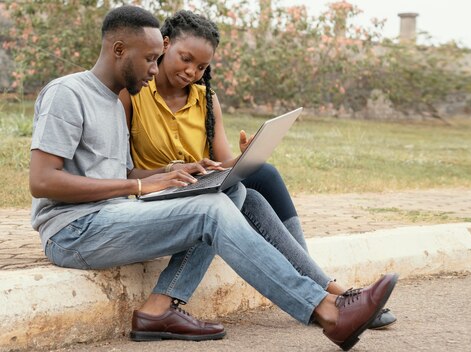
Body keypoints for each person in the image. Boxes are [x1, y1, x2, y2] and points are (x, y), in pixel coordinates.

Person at [29, 5, 397, 351]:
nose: (156, 70)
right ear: (119, 49)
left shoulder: (112, 100)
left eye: (158, 59)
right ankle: (328, 311)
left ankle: (159, 309)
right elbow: (42, 182)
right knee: (212, 210)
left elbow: (120, 172)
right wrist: (140, 186)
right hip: (72, 232)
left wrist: (167, 173)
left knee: (230, 193)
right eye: (151, 59)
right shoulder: (68, 93)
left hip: (108, 218)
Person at [120, 10, 397, 329]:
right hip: (158, 195)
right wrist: (172, 169)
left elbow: (223, 164)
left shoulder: (206, 99)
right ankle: (333, 294)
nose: (191, 71)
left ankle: (328, 295)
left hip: (198, 189)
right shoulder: (135, 92)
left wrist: (245, 156)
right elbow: (124, 171)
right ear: (164, 45)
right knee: (245, 194)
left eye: (201, 67)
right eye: (185, 59)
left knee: (260, 176)